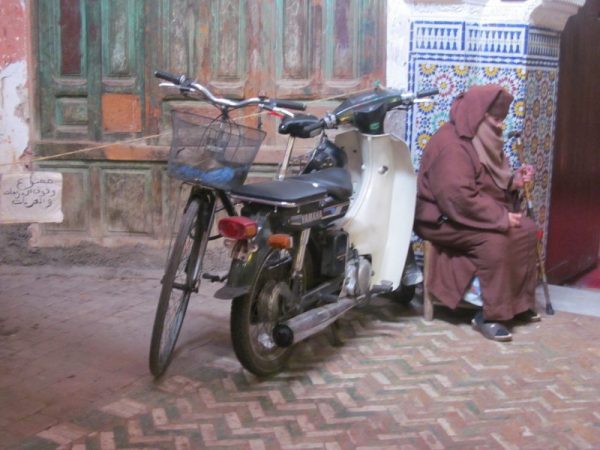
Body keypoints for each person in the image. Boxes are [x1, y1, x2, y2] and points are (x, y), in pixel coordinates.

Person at [414, 84, 539, 342]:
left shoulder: (478, 139)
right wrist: (500, 218)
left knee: (526, 229)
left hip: (467, 213)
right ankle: (490, 314)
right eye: (495, 119)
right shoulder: (452, 145)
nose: (500, 126)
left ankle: (515, 305)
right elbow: (458, 198)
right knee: (495, 240)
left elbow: (485, 184)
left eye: (502, 120)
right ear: (478, 114)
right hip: (441, 219)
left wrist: (513, 182)